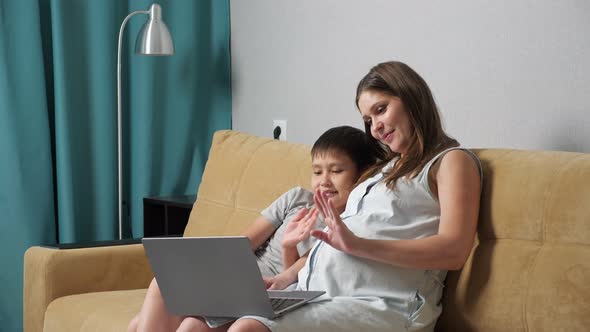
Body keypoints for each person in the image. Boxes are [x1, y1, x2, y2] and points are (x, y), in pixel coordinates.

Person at [177, 61, 483, 332]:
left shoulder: (450, 161)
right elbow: (333, 245)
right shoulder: (383, 170)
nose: (375, 127)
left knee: (248, 327)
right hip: (317, 295)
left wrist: (358, 245)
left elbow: (453, 250)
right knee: (195, 324)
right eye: (368, 119)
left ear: (412, 98)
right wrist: (286, 279)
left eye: (381, 109)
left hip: (385, 306)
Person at [127, 125, 385, 332]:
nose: (324, 181)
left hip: (265, 292)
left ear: (361, 175)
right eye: (317, 172)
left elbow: (293, 279)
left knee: (186, 323)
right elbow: (245, 241)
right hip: (238, 277)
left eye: (337, 171)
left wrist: (288, 245)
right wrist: (204, 264)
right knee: (150, 306)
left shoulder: (347, 226)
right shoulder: (297, 197)